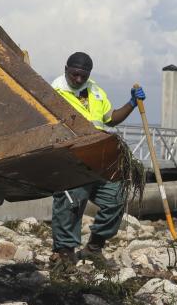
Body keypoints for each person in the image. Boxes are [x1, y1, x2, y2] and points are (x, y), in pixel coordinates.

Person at [49, 51, 145, 268]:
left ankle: (93, 248)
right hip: (71, 162)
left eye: (83, 75)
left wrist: (131, 103)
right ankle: (64, 253)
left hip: (98, 163)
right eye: (75, 74)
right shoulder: (52, 93)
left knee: (116, 197)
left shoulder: (95, 91)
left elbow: (110, 120)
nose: (79, 79)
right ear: (66, 69)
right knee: (71, 203)